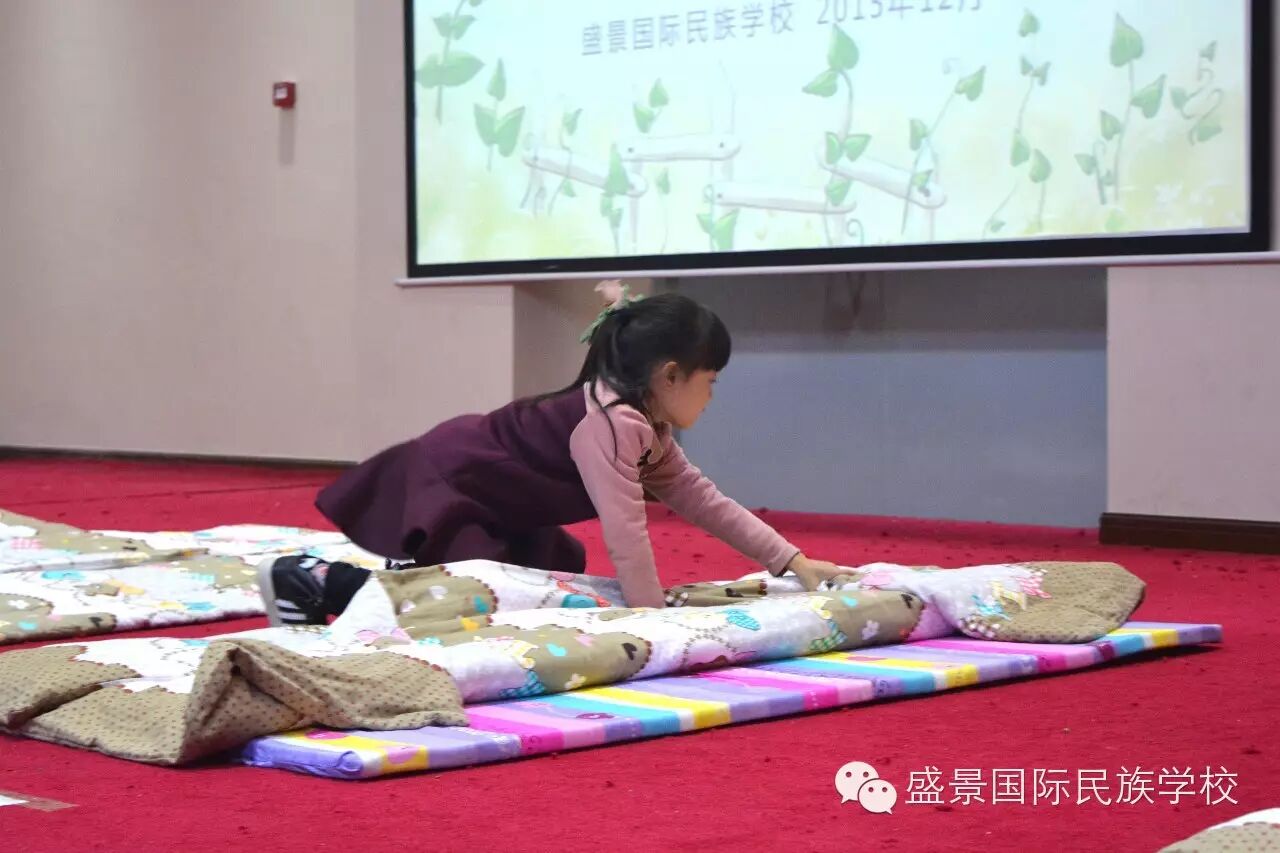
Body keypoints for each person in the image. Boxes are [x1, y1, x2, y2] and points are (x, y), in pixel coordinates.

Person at [257, 283, 846, 625]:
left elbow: (702, 500)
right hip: (454, 483)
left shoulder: (647, 424)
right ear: (670, 376)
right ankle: (317, 582)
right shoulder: (612, 425)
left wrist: (792, 561)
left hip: (503, 506)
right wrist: (651, 619)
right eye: (710, 381)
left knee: (556, 578)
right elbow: (627, 533)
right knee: (476, 603)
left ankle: (414, 571)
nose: (713, 395)